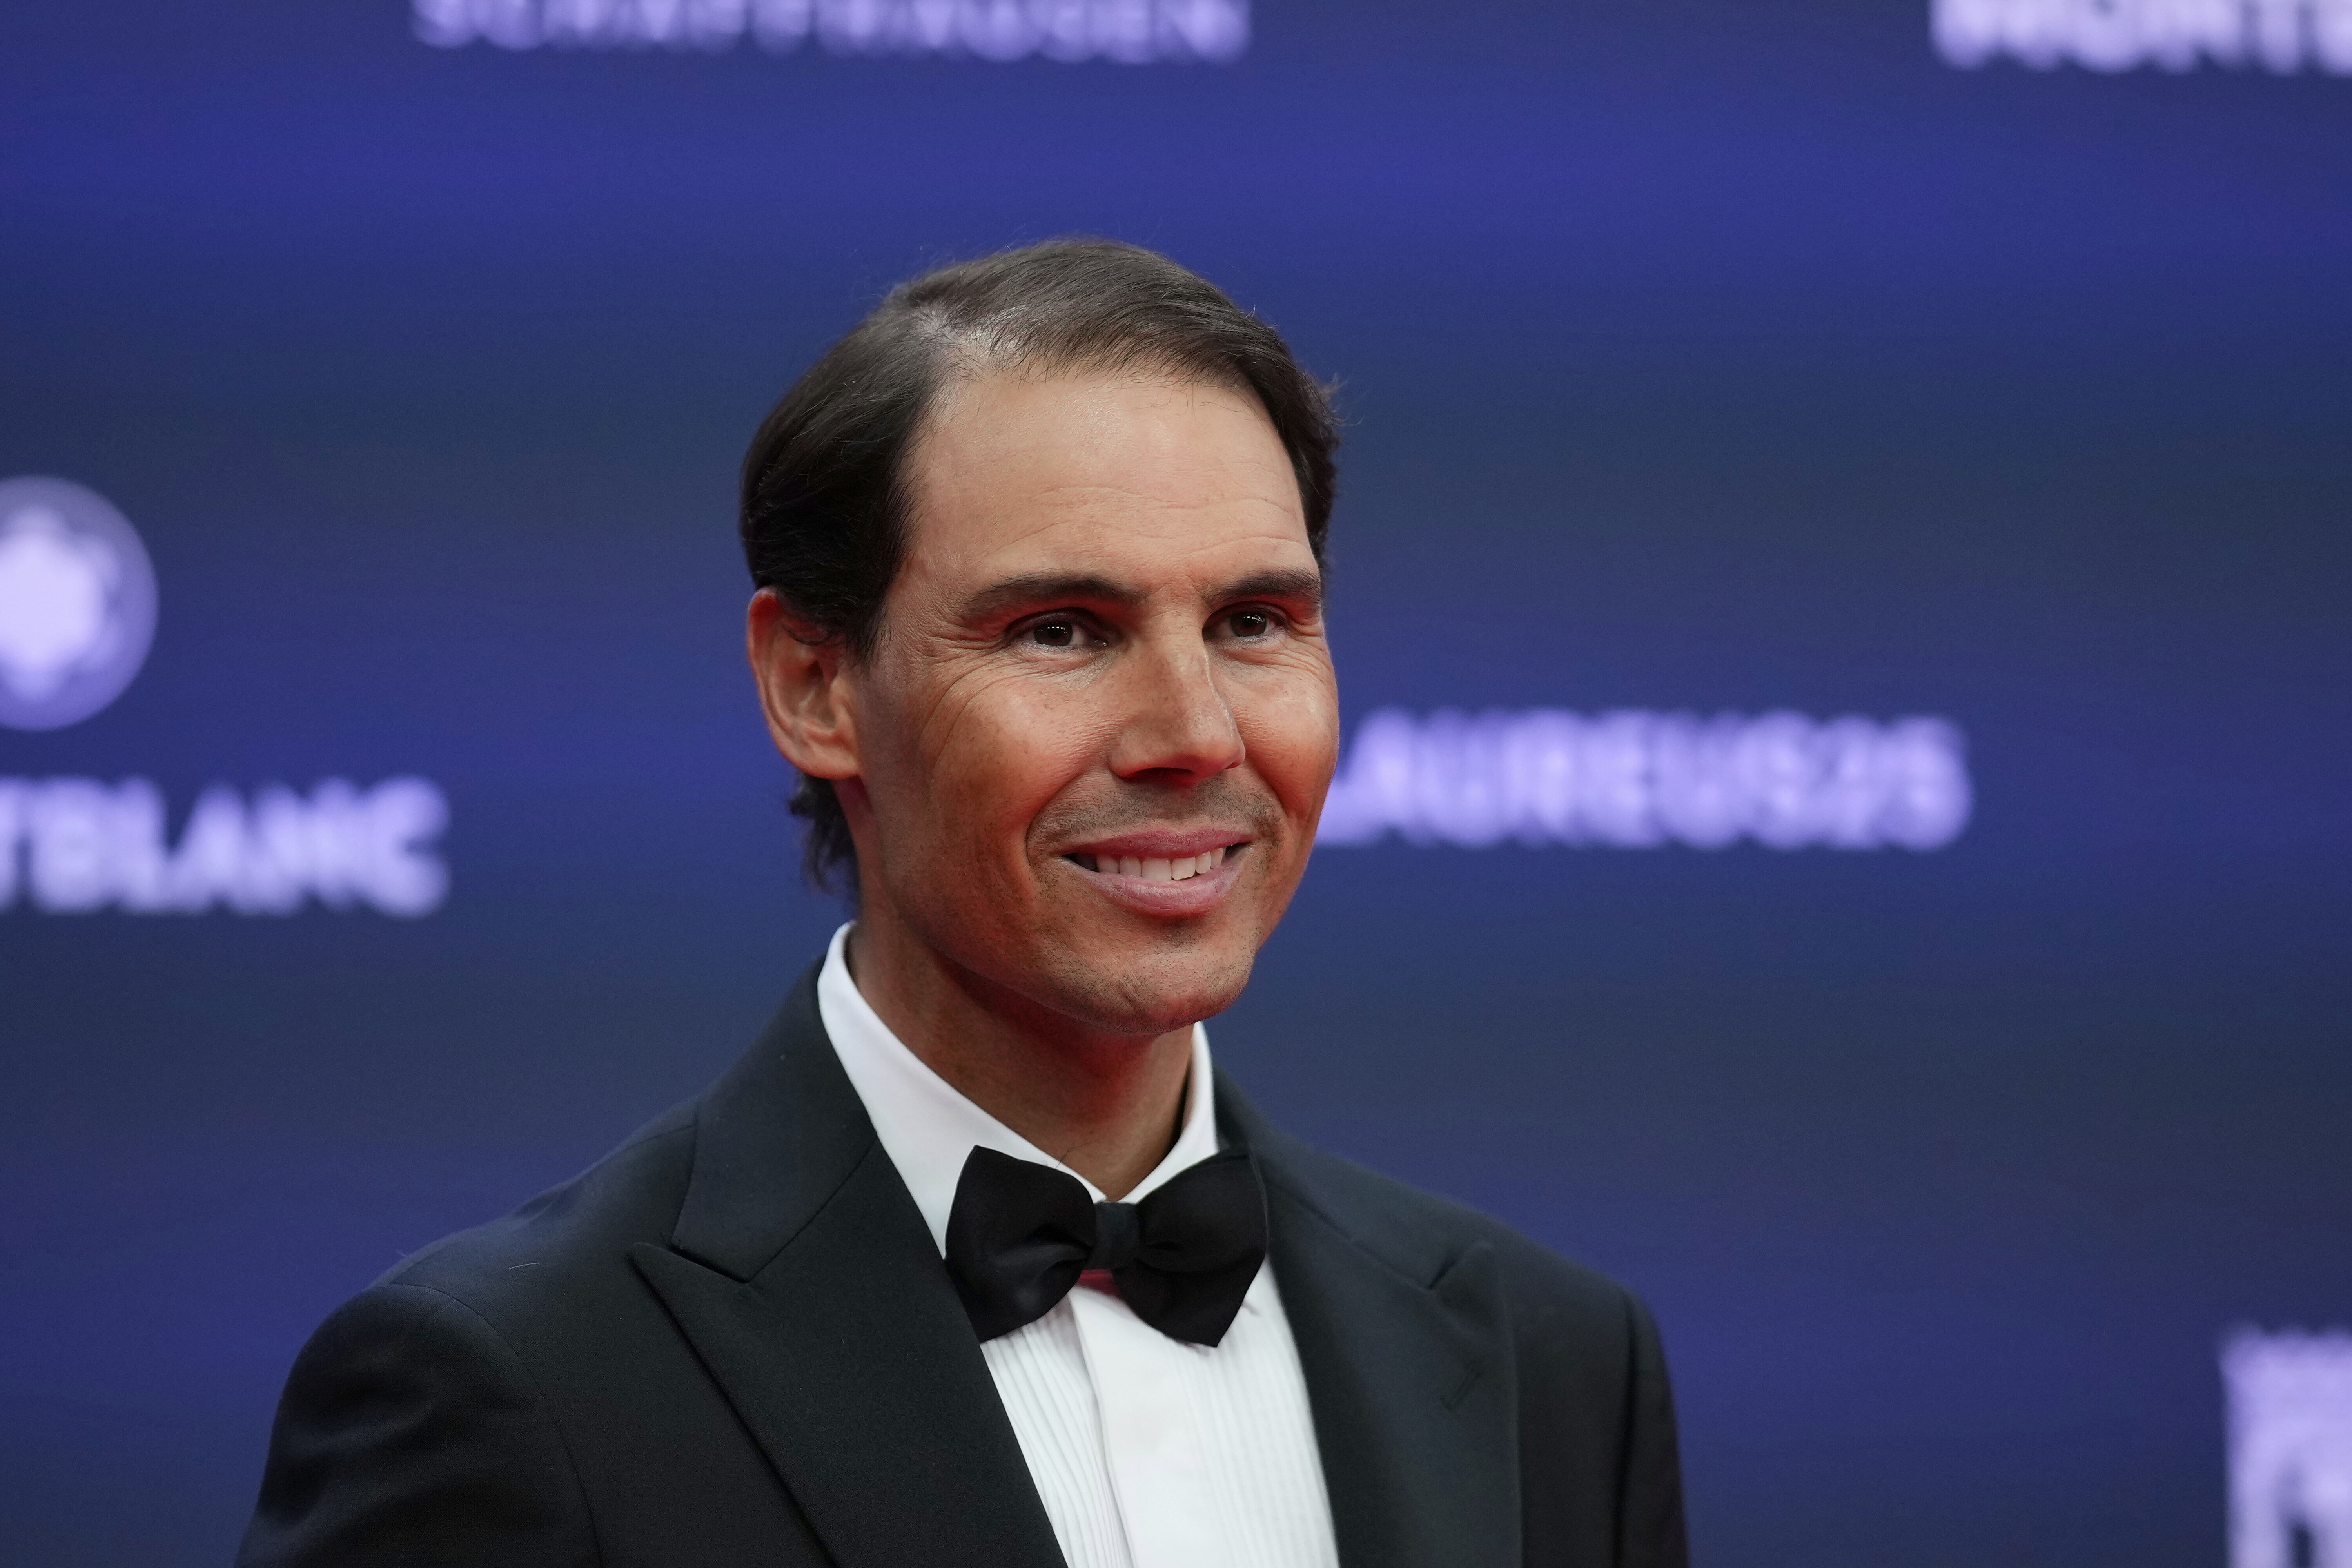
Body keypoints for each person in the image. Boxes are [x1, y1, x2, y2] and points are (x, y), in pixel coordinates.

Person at [238, 240, 1688, 1568]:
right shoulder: (513, 1383)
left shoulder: (1552, 1368)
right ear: (815, 687)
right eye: (1062, 630)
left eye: (1255, 622)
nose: (1195, 731)